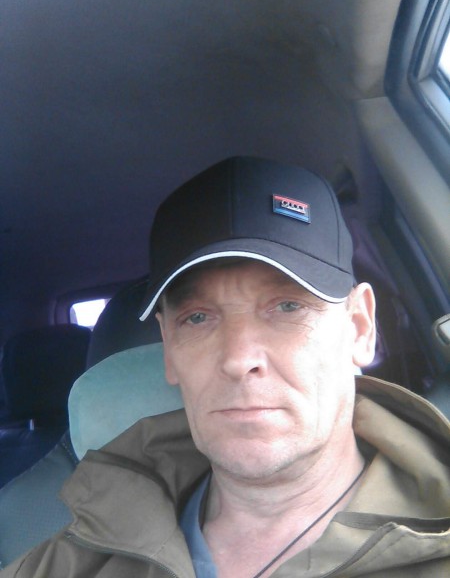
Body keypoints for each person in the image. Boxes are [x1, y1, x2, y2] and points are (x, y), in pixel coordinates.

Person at [2, 157, 449, 577]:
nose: (238, 359)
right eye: (197, 317)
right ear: (170, 351)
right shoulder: (74, 556)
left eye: (288, 306)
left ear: (359, 327)